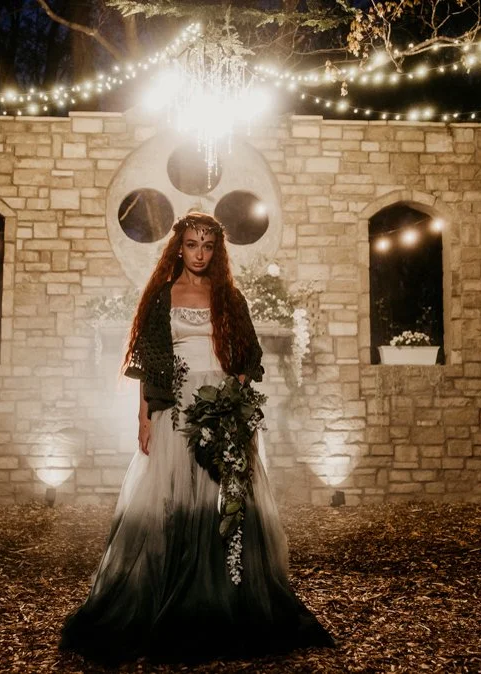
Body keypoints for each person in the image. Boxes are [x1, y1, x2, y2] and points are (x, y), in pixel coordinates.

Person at [59, 212, 334, 664]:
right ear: (179, 248)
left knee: (222, 499)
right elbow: (149, 361)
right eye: (191, 245)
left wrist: (235, 394)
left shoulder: (229, 297)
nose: (200, 254)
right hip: (176, 406)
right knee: (173, 500)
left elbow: (251, 355)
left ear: (217, 250)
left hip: (222, 405)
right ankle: (169, 596)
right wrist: (144, 417)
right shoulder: (162, 296)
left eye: (207, 246)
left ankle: (224, 598)